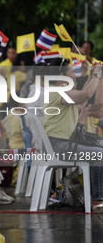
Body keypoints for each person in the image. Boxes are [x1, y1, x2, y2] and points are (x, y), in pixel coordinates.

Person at [43, 58, 103, 213]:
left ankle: (96, 196)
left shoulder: (58, 92)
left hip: (60, 143)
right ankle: (97, 199)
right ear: (62, 77)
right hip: (58, 145)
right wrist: (96, 76)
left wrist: (95, 76)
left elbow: (88, 101)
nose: (75, 76)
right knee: (100, 154)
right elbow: (85, 96)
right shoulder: (58, 92)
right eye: (72, 73)